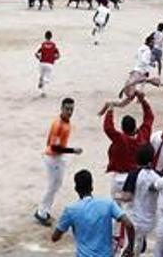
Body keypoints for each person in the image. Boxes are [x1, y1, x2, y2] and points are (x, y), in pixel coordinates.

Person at [51, 169, 135, 257]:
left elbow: (55, 237)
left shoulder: (71, 210)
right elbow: (129, 225)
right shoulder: (108, 203)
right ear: (92, 187)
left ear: (76, 189)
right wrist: (130, 247)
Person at [36, 97, 84, 226]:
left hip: (56, 157)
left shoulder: (64, 122)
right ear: (61, 108)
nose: (70, 112)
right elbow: (54, 147)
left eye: (72, 109)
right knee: (53, 186)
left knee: (55, 185)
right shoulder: (59, 125)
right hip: (53, 158)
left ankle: (44, 210)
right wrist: (73, 150)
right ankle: (41, 212)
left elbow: (49, 141)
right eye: (67, 109)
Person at [101, 92, 154, 200]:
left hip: (120, 179)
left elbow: (108, 128)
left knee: (117, 211)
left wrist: (110, 110)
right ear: (135, 126)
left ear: (122, 129)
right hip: (137, 177)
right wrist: (143, 101)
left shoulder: (120, 139)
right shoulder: (143, 135)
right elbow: (149, 117)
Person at [99, 36, 163, 114]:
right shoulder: (148, 51)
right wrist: (151, 64)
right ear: (149, 42)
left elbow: (137, 57)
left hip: (136, 71)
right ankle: (108, 105)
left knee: (130, 99)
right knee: (130, 97)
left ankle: (105, 108)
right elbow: (144, 61)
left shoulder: (141, 48)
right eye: (152, 42)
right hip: (137, 74)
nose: (154, 44)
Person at [117, 145, 160, 256]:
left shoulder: (134, 174)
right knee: (138, 245)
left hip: (134, 220)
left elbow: (127, 197)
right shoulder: (157, 177)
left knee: (129, 249)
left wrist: (117, 196)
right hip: (149, 220)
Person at [35, 30, 60, 97]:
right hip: (49, 63)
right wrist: (54, 58)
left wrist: (38, 57)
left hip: (42, 62)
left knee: (42, 75)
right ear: (51, 37)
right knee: (47, 79)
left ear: (45, 36)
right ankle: (43, 91)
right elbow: (58, 55)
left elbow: (36, 53)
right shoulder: (54, 45)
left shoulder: (42, 44)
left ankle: (42, 90)